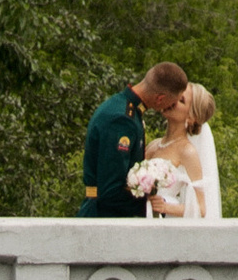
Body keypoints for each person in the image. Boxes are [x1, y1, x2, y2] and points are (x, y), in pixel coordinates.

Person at [80, 64, 187, 217]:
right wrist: (149, 207)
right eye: (172, 103)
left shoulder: (123, 108)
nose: (170, 108)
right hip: (102, 219)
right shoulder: (121, 120)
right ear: (160, 98)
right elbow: (110, 190)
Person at [142, 82, 221, 221]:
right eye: (175, 95)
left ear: (191, 118)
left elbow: (202, 208)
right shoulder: (155, 144)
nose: (173, 100)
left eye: (181, 100)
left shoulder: (187, 151)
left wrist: (165, 207)